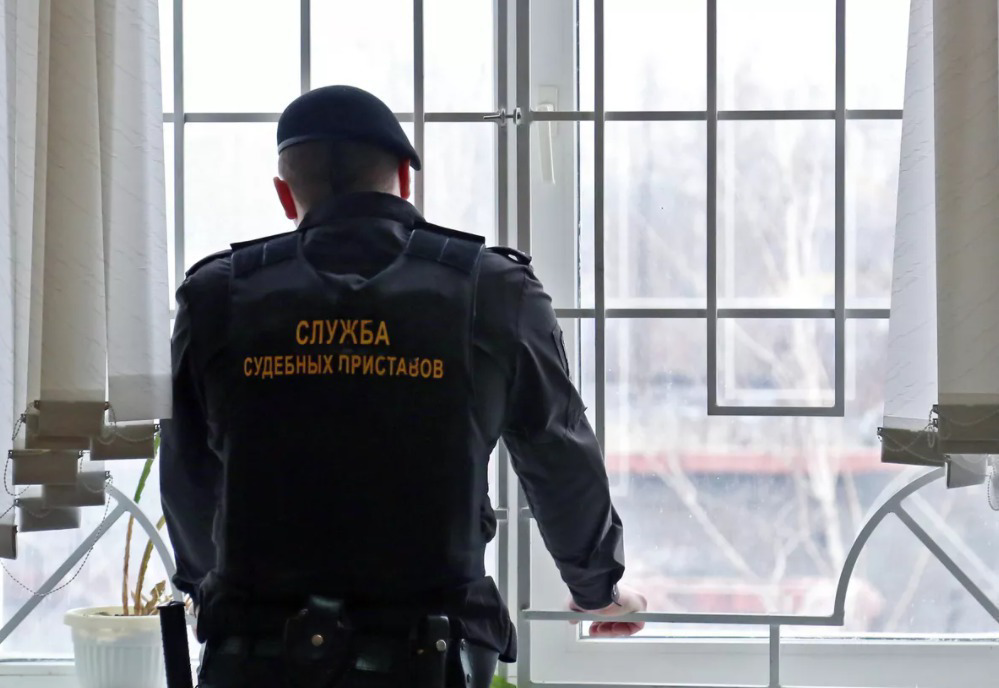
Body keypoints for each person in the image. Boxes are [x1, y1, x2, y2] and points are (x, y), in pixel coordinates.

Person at [159, 85, 646, 688]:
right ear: (406, 182)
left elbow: (187, 472)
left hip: (255, 655)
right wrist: (597, 589)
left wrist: (202, 582)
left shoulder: (216, 295)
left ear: (285, 195)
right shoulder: (493, 291)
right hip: (430, 655)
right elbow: (556, 452)